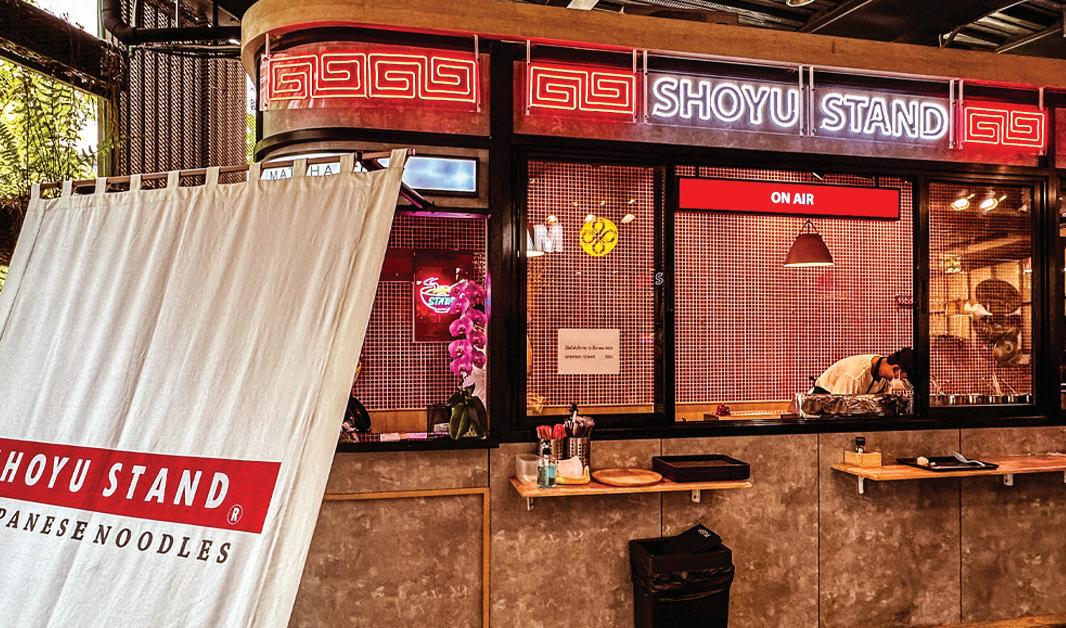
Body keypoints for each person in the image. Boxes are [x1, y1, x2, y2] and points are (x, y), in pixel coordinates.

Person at [812, 347, 914, 395]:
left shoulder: (883, 371)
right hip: (822, 408)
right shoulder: (855, 374)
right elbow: (838, 405)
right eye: (900, 377)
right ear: (896, 368)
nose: (896, 379)